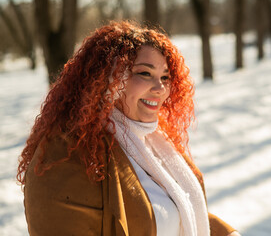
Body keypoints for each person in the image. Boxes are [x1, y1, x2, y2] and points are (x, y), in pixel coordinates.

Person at [17, 21, 241, 236]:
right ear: (110, 80)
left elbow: (178, 211)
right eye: (145, 73)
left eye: (165, 77)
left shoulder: (156, 143)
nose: (160, 88)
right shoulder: (67, 154)